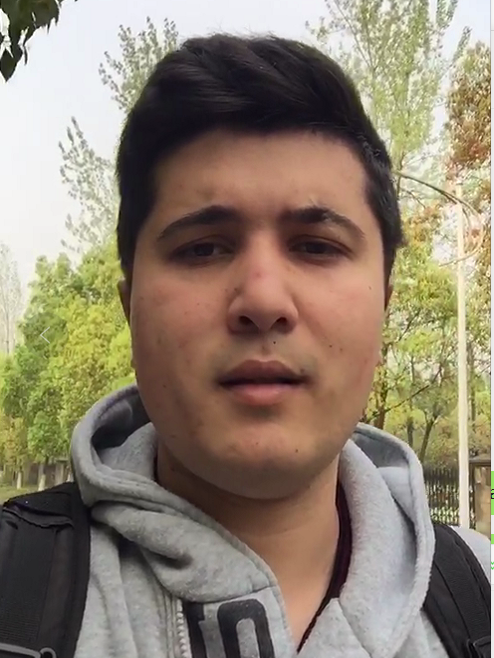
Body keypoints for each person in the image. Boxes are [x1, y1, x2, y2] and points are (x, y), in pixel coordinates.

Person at [29, 34, 494, 656]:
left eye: (316, 246)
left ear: (382, 309)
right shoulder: (16, 592)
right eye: (203, 248)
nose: (264, 299)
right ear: (129, 307)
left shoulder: (479, 598)